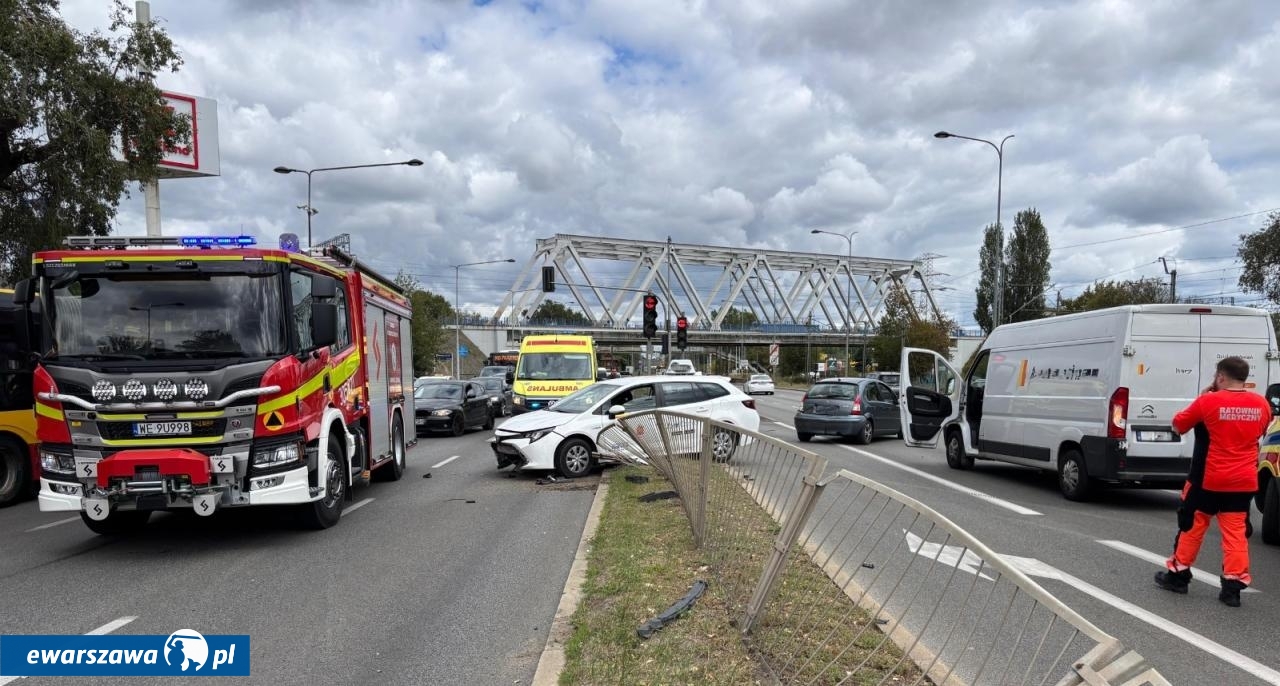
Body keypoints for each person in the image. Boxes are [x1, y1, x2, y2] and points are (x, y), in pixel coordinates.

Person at [1154, 356, 1271, 607]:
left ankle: (1178, 576)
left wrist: (1202, 399)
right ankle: (1232, 589)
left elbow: (1178, 425)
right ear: (1244, 377)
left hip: (1208, 478)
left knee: (1191, 527)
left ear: (1220, 376)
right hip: (1242, 481)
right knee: (1235, 534)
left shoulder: (1209, 401)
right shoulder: (1261, 404)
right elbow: (1260, 432)